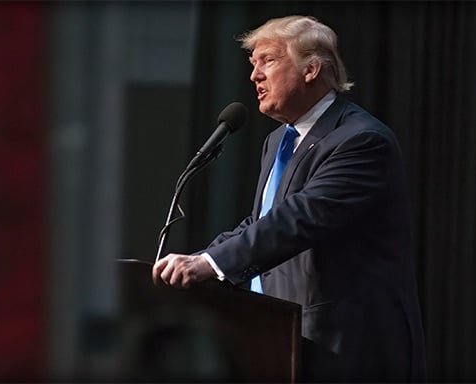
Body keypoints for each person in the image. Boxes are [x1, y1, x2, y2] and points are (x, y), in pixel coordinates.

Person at [152, 15, 426, 382]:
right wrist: (202, 258)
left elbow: (301, 216)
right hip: (280, 340)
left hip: (346, 348)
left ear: (311, 69)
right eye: (253, 64)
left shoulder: (361, 139)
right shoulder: (278, 141)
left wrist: (212, 264)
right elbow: (263, 221)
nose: (255, 76)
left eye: (268, 60)